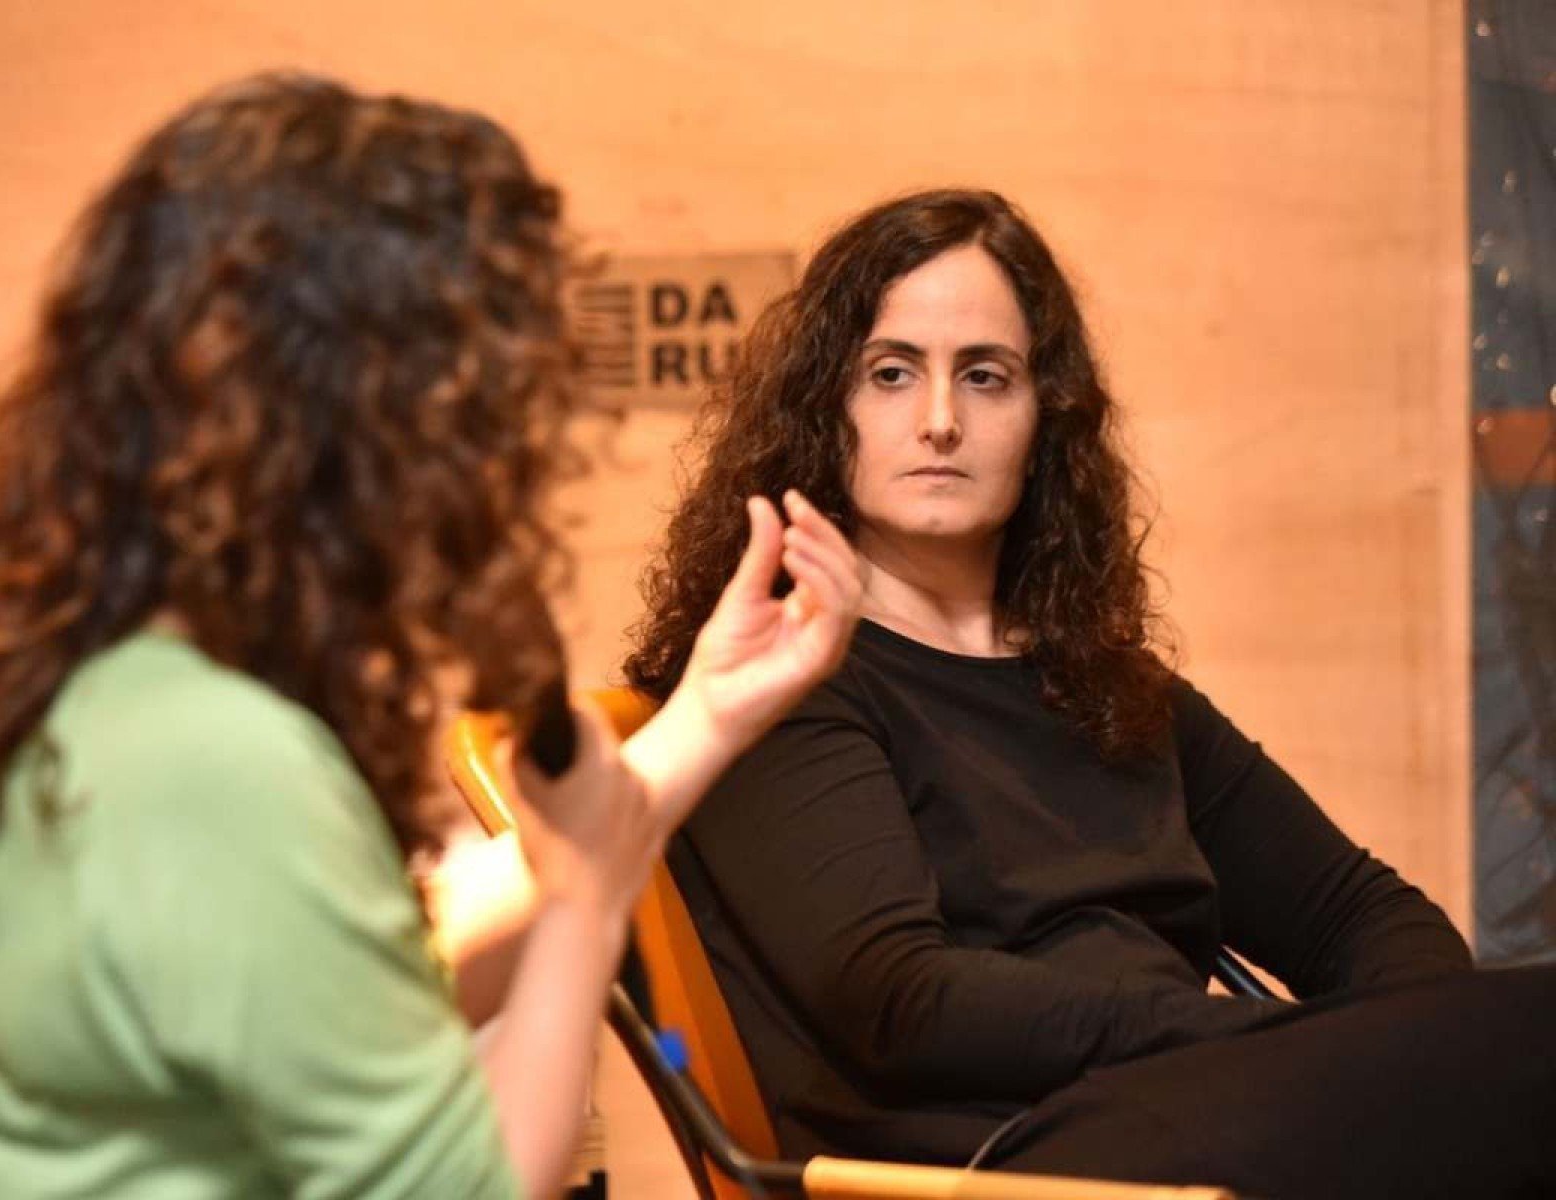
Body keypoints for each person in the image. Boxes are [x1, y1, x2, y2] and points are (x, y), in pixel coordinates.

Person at [0, 72, 864, 1200]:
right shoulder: (205, 756)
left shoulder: (91, 683)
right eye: (478, 413)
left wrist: (709, 716)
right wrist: (582, 908)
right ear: (359, 420)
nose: (497, 469)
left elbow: (383, 979)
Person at [626, 188, 1556, 1199]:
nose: (940, 420)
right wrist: (1278, 1041)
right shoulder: (783, 677)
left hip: (1201, 1108)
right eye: (891, 374)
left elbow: (1360, 912)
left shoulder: (1109, 685)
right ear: (826, 405)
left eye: (986, 377)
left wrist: (1401, 1045)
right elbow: (900, 1005)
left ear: (1046, 421)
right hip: (992, 1169)